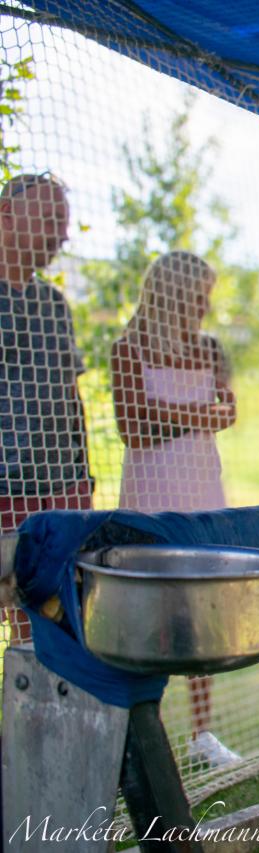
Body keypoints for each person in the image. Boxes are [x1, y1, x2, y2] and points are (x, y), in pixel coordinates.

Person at [111, 250, 240, 768]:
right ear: (171, 295)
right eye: (197, 296)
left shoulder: (210, 348)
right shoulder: (128, 348)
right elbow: (132, 428)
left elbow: (227, 411)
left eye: (207, 296)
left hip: (202, 486)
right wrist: (195, 414)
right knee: (148, 607)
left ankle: (202, 733)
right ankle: (146, 732)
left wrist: (170, 414)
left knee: (202, 606)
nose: (205, 306)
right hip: (151, 490)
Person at [0, 173, 93, 644]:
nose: (63, 235)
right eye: (52, 219)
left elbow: (72, 397)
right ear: (7, 214)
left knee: (58, 627)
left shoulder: (54, 304)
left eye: (65, 222)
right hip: (7, 490)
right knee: (15, 621)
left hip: (63, 490)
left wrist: (83, 478)